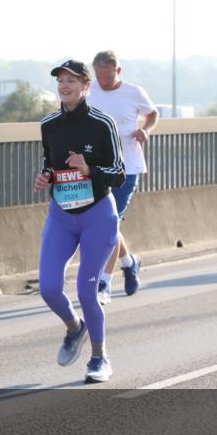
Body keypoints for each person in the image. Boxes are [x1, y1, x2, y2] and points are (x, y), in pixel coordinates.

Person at [35, 61, 125, 383]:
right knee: (48, 287)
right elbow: (50, 163)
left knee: (87, 292)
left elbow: (119, 173)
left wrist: (89, 169)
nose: (64, 85)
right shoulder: (49, 125)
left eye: (72, 80)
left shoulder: (103, 124)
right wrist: (45, 177)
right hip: (61, 214)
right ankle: (75, 328)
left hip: (97, 215)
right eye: (61, 80)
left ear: (86, 86)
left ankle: (99, 357)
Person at [88, 50, 158, 304]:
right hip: (96, 169)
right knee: (106, 224)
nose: (103, 82)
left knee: (108, 225)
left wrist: (145, 130)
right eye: (99, 76)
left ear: (118, 71)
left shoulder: (133, 92)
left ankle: (104, 283)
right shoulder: (89, 90)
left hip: (127, 168)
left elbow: (153, 114)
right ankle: (129, 263)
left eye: (107, 77)